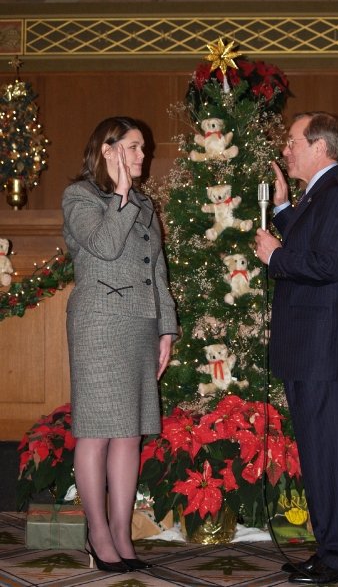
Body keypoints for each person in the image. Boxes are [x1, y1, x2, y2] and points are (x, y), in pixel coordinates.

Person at [255, 112, 338, 585]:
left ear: (319, 146)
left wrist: (275, 255)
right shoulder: (324, 193)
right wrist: (282, 209)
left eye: (293, 142)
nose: (286, 150)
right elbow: (313, 243)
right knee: (321, 454)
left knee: (332, 455)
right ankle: (331, 550)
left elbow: (324, 263)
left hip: (325, 351)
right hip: (312, 350)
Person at [62, 116, 178, 573]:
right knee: (96, 431)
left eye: (143, 148)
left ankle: (122, 533)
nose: (142, 156)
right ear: (108, 151)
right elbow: (105, 245)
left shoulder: (146, 205)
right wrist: (122, 195)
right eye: (134, 147)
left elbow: (158, 269)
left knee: (129, 433)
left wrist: (166, 328)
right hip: (98, 325)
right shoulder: (80, 196)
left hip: (139, 326)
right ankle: (98, 535)